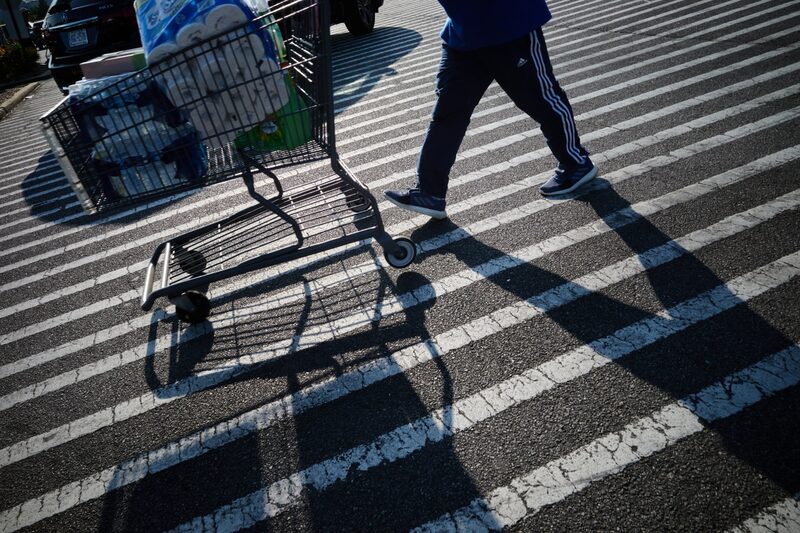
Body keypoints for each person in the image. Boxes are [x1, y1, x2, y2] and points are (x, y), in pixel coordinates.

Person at [384, 0, 597, 220]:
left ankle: (576, 162)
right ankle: (430, 192)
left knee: (541, 99)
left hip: (508, 23)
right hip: (463, 32)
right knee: (448, 113)